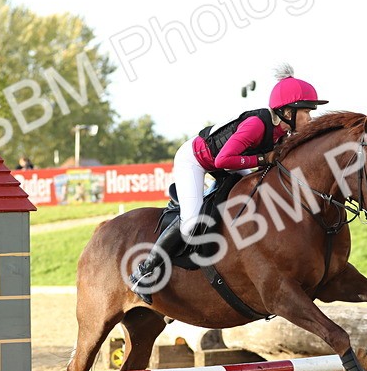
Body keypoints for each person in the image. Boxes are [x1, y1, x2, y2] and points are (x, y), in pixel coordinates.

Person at [130, 64, 327, 297]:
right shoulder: (257, 125)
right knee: (191, 223)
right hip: (196, 160)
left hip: (227, 161)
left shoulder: (283, 132)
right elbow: (224, 160)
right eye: (306, 111)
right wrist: (263, 157)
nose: (310, 117)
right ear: (288, 111)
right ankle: (143, 272)